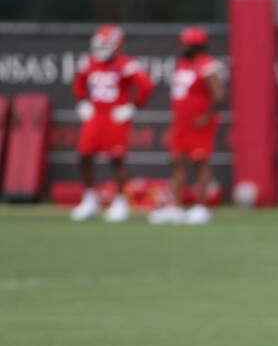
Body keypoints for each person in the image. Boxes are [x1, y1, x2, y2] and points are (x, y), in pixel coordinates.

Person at [70, 25, 153, 222]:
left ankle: (120, 201)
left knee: (116, 159)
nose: (101, 48)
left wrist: (134, 107)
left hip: (115, 116)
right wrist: (82, 101)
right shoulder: (89, 62)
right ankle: (89, 199)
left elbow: (146, 85)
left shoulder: (126, 64)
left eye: (106, 44)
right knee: (84, 155)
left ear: (117, 45)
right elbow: (79, 82)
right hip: (95, 115)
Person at [149, 27, 225, 225]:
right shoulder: (182, 63)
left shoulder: (207, 65)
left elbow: (218, 95)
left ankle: (202, 207)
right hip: (181, 122)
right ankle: (176, 206)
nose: (182, 47)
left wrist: (206, 117)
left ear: (196, 45)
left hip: (199, 123)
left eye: (186, 43)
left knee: (201, 162)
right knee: (177, 161)